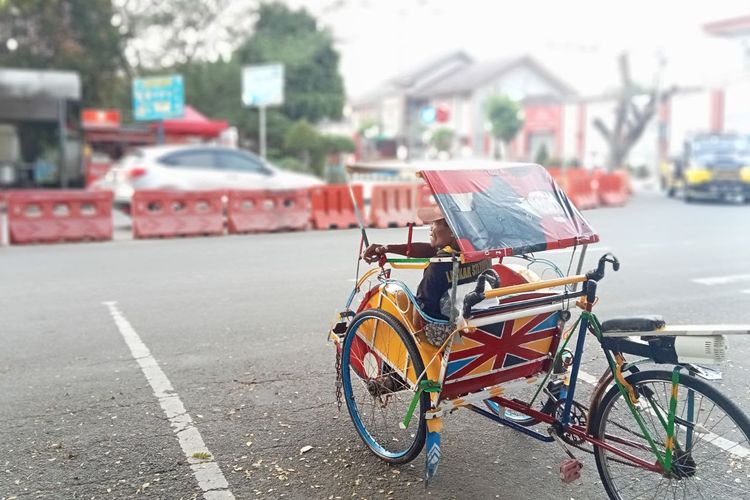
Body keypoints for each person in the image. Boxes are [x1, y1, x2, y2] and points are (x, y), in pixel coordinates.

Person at [363, 205, 494, 345]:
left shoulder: (437, 268)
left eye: (435, 223)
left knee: (399, 304)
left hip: (442, 334)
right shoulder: (481, 254)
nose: (430, 228)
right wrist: (387, 248)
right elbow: (430, 249)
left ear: (452, 231)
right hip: (479, 323)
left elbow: (422, 315)